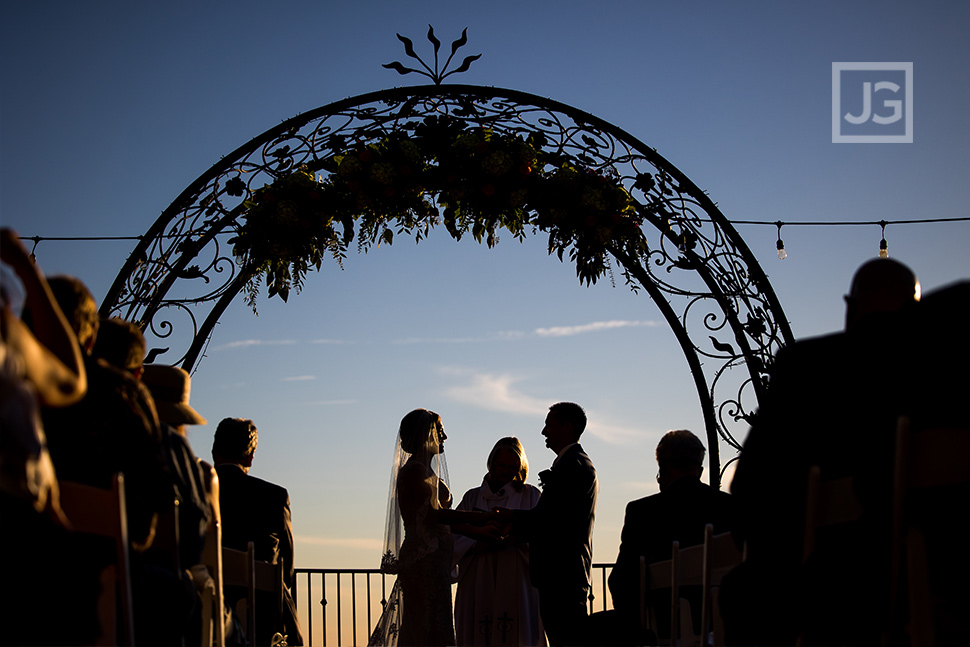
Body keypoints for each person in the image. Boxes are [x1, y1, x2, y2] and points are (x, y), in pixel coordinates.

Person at [722, 258, 921, 645]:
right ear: (916, 309)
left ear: (850, 306)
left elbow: (749, 488)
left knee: (746, 591)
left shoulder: (806, 366)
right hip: (935, 580)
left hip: (823, 590)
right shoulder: (944, 367)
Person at [371, 408, 503, 647]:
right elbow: (433, 516)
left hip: (436, 559)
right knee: (426, 625)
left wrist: (480, 532)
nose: (444, 437)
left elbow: (442, 522)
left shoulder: (428, 472)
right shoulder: (414, 472)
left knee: (436, 623)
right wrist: (479, 519)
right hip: (423, 560)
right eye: (440, 431)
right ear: (426, 433)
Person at [607, 429, 733, 643]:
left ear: (663, 468)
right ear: (699, 470)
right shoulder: (730, 508)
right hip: (722, 625)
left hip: (662, 629)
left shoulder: (642, 512)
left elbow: (621, 582)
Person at [508, 402, 598, 647]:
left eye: (549, 424)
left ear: (567, 427)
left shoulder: (573, 465)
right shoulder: (572, 462)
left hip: (562, 574)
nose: (543, 432)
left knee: (566, 638)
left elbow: (549, 519)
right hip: (561, 575)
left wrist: (506, 518)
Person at [212, 417, 304, 646]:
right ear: (250, 456)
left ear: (214, 451)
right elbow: (287, 568)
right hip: (262, 616)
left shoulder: (197, 490)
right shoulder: (274, 496)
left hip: (206, 607)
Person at [453, 437, 544, 647]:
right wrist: (476, 544)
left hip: (516, 570)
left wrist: (517, 539)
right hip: (479, 572)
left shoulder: (530, 495)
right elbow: (453, 535)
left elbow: (543, 533)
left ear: (520, 467)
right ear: (492, 463)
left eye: (512, 466)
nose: (505, 471)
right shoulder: (473, 497)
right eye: (501, 465)